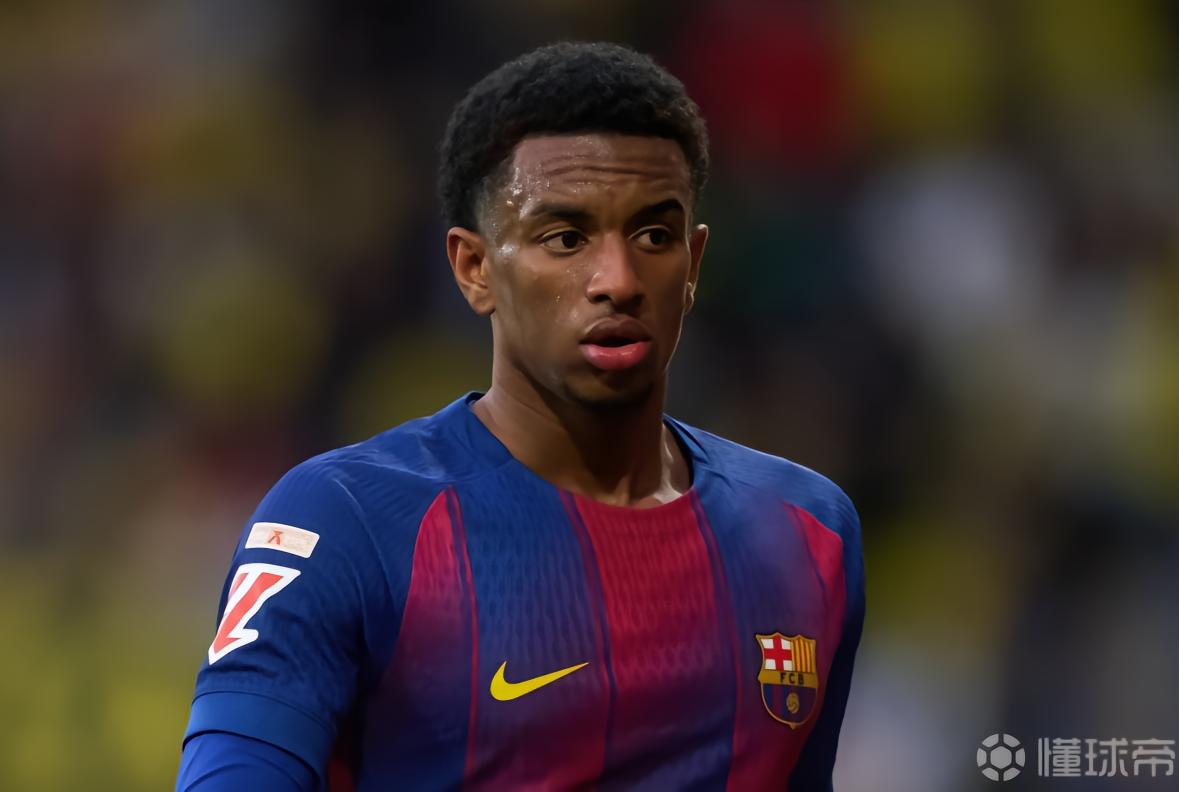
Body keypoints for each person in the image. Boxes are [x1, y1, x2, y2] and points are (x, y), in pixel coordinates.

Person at [176, 41, 865, 791]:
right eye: (565, 239)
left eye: (654, 236)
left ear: (693, 265)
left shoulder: (812, 531)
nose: (618, 280)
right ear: (475, 268)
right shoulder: (346, 521)